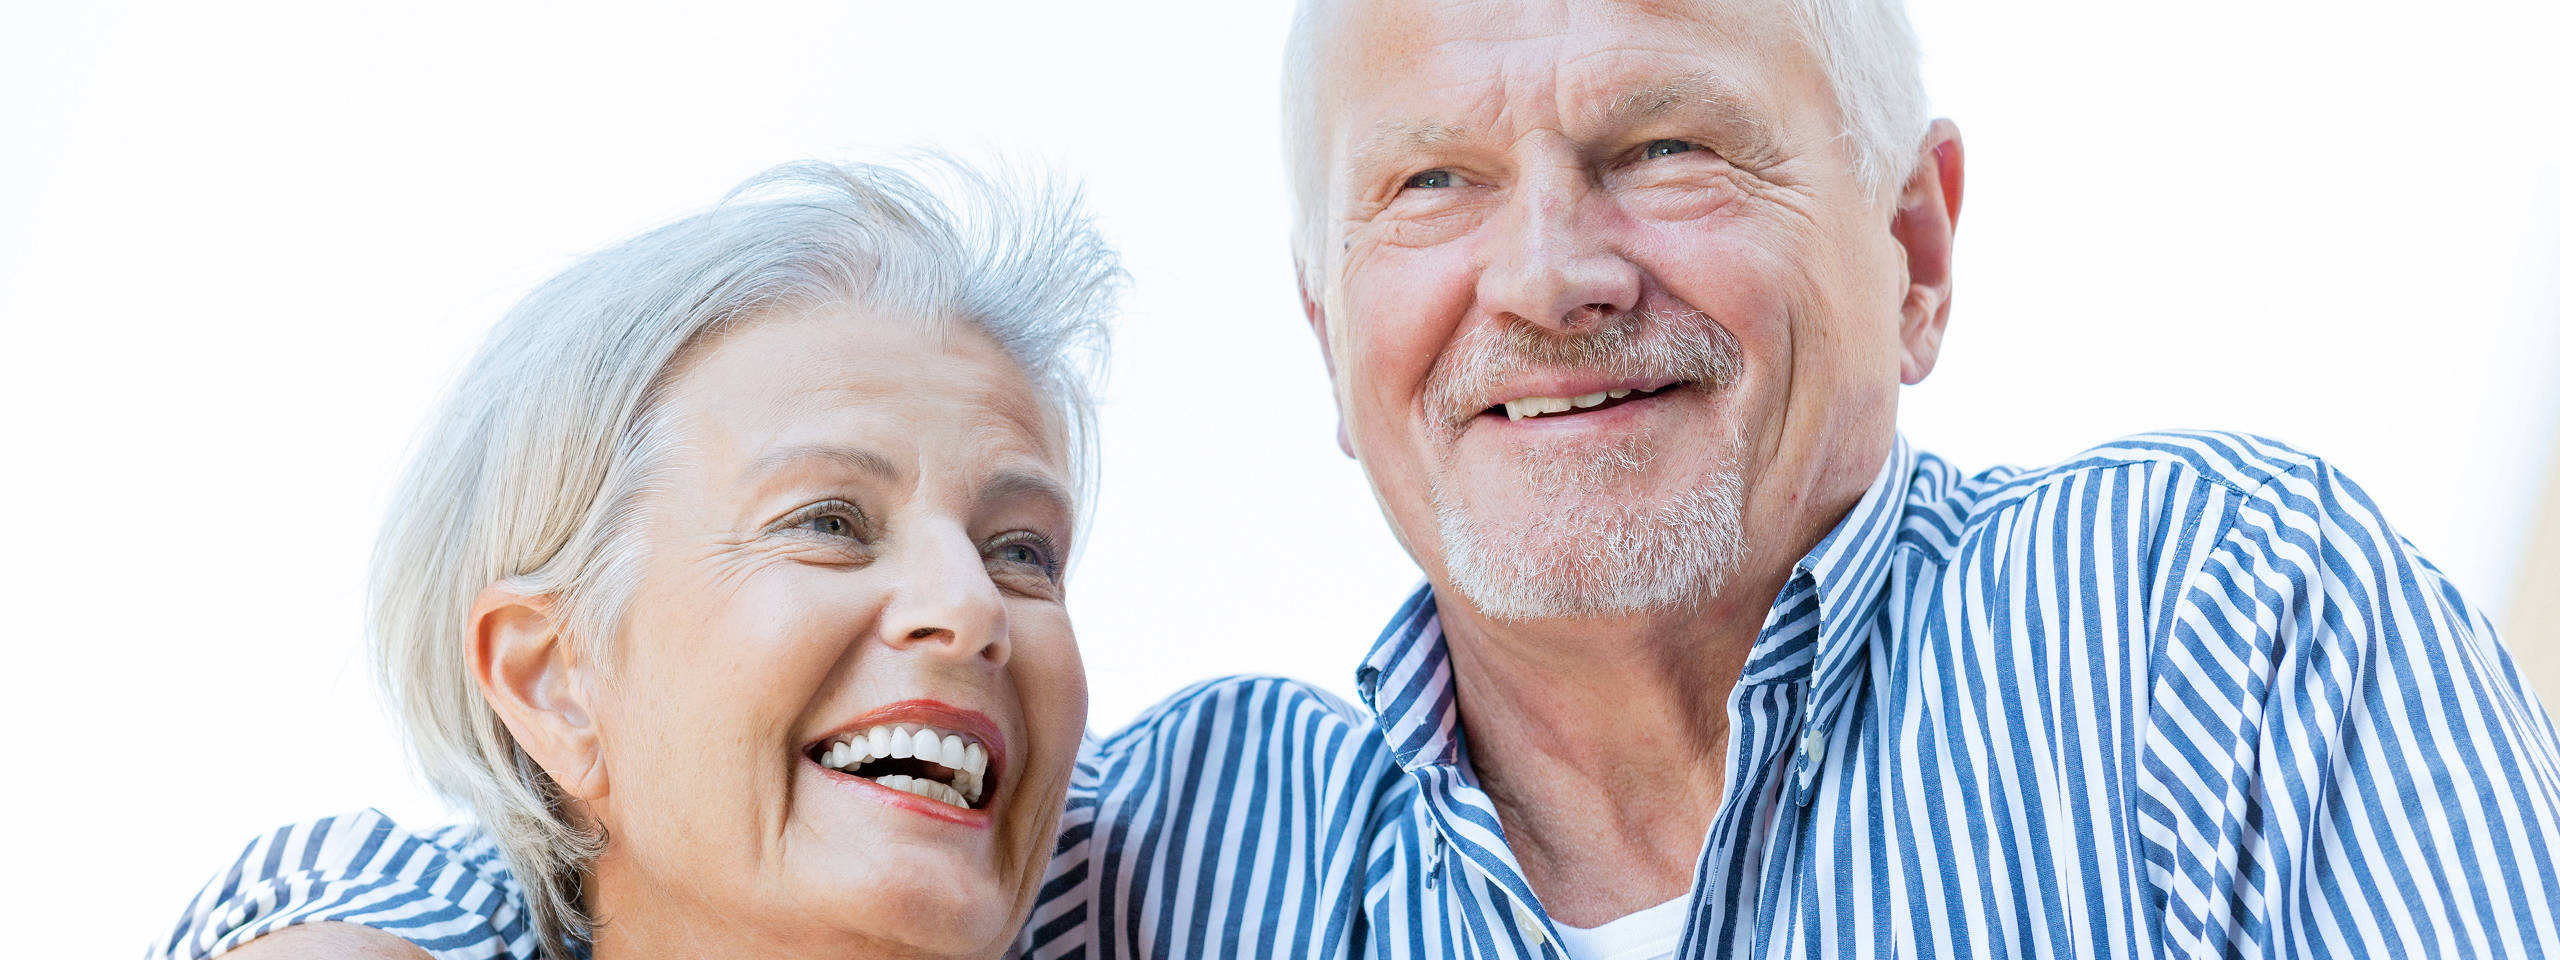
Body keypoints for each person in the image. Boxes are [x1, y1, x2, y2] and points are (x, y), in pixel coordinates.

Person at [1013, 0, 2560, 957]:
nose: (1548, 278)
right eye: (1432, 183)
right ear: (1327, 332)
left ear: (1914, 250)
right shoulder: (1145, 865)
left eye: (1665, 147)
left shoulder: (2209, 628)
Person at [152, 158, 1119, 960]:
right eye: (828, 523)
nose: (973, 606)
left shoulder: (1163, 851)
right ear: (552, 682)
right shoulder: (390, 924)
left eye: (1021, 551)